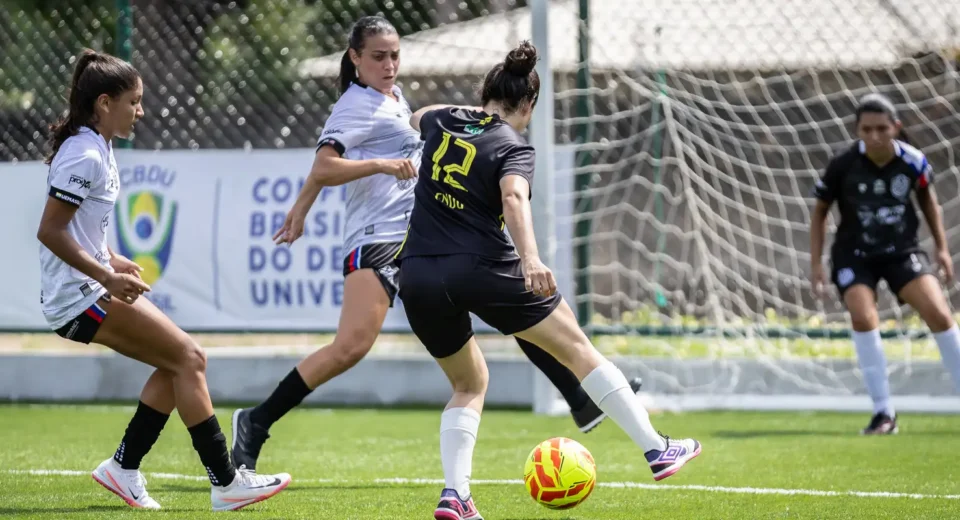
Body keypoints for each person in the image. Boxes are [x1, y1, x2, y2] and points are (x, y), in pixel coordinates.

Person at [230, 16, 641, 473]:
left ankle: (577, 397)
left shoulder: (392, 98)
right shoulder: (356, 104)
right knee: (351, 346)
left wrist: (301, 209)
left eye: (395, 56)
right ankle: (255, 420)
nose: (389, 65)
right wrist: (382, 167)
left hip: (419, 236)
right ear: (355, 58)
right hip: (379, 237)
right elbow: (325, 165)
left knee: (509, 297)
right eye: (378, 57)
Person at [396, 41, 701, 520]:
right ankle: (656, 449)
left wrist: (467, 112)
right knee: (579, 349)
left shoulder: (444, 120)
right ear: (529, 105)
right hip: (484, 268)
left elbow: (420, 114)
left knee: (469, 383)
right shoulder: (513, 145)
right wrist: (531, 259)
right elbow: (514, 199)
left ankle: (456, 495)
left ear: (485, 94)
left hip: (417, 275)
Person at [35, 49, 291, 511]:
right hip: (77, 297)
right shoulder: (84, 153)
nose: (141, 111)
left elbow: (81, 230)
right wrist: (106, 276)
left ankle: (123, 468)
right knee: (189, 358)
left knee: (179, 364)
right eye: (134, 101)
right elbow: (50, 231)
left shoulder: (98, 147)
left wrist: (113, 258)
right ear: (104, 103)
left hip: (88, 286)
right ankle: (226, 482)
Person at [810, 93, 960, 435]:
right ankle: (883, 413)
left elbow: (927, 200)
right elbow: (819, 211)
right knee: (863, 317)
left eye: (881, 128)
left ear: (896, 127)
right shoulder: (842, 164)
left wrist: (942, 248)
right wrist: (815, 263)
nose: (874, 136)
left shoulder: (914, 161)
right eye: (866, 129)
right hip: (854, 254)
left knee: (938, 313)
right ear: (857, 130)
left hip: (901, 251)